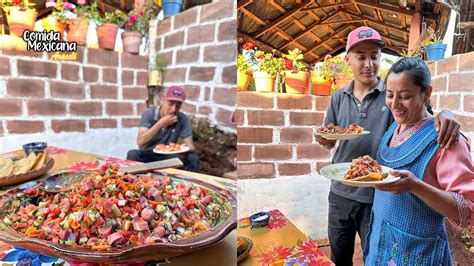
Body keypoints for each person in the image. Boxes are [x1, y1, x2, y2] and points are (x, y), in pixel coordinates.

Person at [315, 26, 461, 265]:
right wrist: (325, 140)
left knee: (375, 251)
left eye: (374, 56)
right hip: (340, 192)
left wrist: (447, 113)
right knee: (339, 255)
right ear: (348, 59)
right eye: (361, 56)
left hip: (376, 194)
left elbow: (425, 120)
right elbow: (331, 135)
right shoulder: (338, 96)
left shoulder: (391, 93)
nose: (368, 63)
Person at [364, 57, 473, 265]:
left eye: (405, 96)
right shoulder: (394, 129)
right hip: (381, 241)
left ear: (427, 94)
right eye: (389, 95)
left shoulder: (446, 139)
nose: (395, 104)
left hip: (416, 253)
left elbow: (467, 210)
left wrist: (416, 186)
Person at [127, 86, 200, 172]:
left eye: (178, 105)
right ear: (162, 100)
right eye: (170, 104)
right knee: (132, 154)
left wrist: (181, 147)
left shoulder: (182, 118)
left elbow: (190, 146)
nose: (173, 109)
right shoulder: (149, 113)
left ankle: (188, 184)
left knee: (193, 159)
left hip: (168, 158)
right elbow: (140, 141)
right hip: (148, 154)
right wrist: (160, 124)